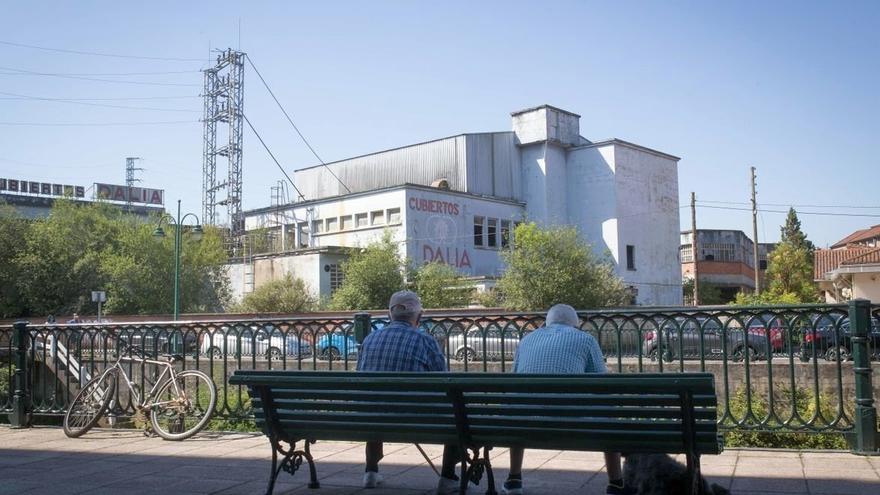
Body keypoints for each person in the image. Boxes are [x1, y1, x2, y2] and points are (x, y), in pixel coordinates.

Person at [501, 304, 634, 495]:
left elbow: (514, 385)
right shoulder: (586, 340)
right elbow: (603, 387)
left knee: (521, 404)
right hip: (572, 424)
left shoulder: (526, 341)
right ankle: (616, 483)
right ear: (575, 324)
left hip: (524, 424)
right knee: (608, 414)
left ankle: (514, 478)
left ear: (546, 323)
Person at [356, 290, 461, 495]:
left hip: (370, 418)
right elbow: (444, 380)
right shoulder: (425, 340)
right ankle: (448, 478)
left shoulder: (369, 339)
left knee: (376, 400)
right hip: (415, 419)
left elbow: (361, 378)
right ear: (419, 317)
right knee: (457, 413)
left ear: (390, 315)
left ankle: (370, 471)